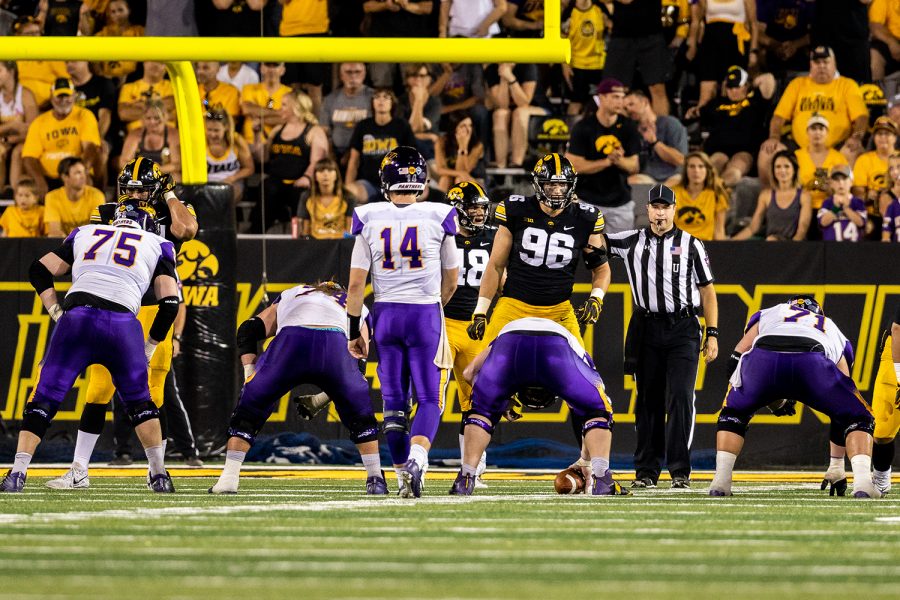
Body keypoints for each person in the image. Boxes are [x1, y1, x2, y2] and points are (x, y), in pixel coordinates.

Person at [1, 205, 179, 493]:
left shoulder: (85, 232)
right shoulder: (159, 243)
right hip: (122, 324)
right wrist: (149, 347)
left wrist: (55, 310)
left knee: (44, 398)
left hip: (77, 320)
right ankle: (159, 475)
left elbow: (39, 269)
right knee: (140, 404)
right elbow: (170, 303)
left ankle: (17, 473)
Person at [45, 157, 198, 489]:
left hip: (156, 307)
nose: (132, 194)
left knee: (154, 391)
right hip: (117, 306)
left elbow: (187, 230)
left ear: (156, 189)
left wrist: (171, 196)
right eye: (127, 187)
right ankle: (79, 469)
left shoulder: (169, 212)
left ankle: (155, 469)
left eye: (140, 189)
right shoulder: (106, 211)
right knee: (99, 388)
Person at [345, 145, 459, 498]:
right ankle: (419, 460)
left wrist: (353, 331)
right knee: (429, 399)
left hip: (386, 315)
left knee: (394, 404)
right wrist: (433, 305)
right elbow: (452, 280)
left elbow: (354, 286)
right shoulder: (440, 214)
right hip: (424, 313)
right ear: (421, 179)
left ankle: (400, 481)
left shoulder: (369, 215)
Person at [209, 281, 388, 495]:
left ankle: (229, 477)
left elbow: (247, 330)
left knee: (249, 410)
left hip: (291, 343)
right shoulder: (357, 305)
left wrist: (251, 376)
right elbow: (357, 363)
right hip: (335, 344)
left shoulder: (294, 293)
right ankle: (375, 478)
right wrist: (321, 399)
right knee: (361, 416)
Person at [709, 296, 880, 498]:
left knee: (734, 412)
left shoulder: (772, 312)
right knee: (858, 417)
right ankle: (862, 485)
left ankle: (720, 483)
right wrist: (836, 464)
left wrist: (763, 397)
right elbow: (841, 411)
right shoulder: (829, 325)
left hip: (762, 359)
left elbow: (737, 356)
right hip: (812, 362)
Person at [606, 184, 719, 489]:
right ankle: (646, 471)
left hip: (683, 327)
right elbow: (594, 240)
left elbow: (708, 291)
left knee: (681, 397)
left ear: (674, 209)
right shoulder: (631, 240)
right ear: (647, 210)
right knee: (647, 401)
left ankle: (680, 470)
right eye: (655, 207)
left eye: (665, 207)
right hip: (646, 326)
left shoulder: (691, 243)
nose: (659, 212)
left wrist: (713, 333)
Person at [449, 317, 628, 496]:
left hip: (511, 342)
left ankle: (465, 477)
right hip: (555, 346)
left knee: (482, 410)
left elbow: (468, 373)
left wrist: (498, 402)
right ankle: (602, 478)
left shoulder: (503, 338)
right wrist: (586, 460)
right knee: (597, 408)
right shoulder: (574, 361)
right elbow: (593, 410)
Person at [443, 181, 494, 488]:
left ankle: (472, 468)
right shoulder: (441, 237)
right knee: (430, 393)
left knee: (477, 401)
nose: (478, 213)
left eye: (480, 207)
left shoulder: (492, 238)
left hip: (476, 327)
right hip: (445, 323)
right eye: (472, 207)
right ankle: (415, 456)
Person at [759, 46, 868, 185]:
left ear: (834, 63)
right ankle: (771, 200)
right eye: (817, 62)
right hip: (800, 146)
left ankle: (845, 200)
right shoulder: (797, 84)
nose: (821, 66)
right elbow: (779, 117)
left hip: (837, 146)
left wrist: (857, 137)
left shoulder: (847, 85)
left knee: (853, 150)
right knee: (768, 151)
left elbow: (861, 117)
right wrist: (774, 138)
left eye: (826, 62)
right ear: (811, 65)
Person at [566, 78, 641, 234]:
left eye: (622, 97)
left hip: (620, 202)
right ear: (601, 97)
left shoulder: (629, 127)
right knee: (584, 251)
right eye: (615, 96)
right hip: (586, 200)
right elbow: (574, 166)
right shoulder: (583, 127)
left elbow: (634, 167)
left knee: (620, 253)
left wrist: (618, 160)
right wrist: (607, 162)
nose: (620, 101)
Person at [254, 90, 328, 233]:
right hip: (277, 181)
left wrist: (306, 177)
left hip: (300, 182)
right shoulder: (277, 130)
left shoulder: (314, 131)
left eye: (284, 105)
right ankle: (257, 235)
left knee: (300, 195)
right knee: (266, 187)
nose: (279, 108)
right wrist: (257, 135)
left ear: (296, 107)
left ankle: (300, 235)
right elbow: (262, 158)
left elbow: (317, 162)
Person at [694, 66, 776, 188]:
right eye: (730, 87)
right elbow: (698, 115)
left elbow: (768, 79)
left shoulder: (755, 100)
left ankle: (718, 191)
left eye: (737, 86)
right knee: (713, 165)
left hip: (745, 149)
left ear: (746, 86)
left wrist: (751, 83)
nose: (733, 91)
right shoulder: (717, 103)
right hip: (718, 148)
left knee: (735, 169)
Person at [22, 77, 100, 197]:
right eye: (59, 96)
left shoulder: (85, 116)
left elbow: (90, 147)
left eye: (67, 96)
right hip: (48, 177)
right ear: (52, 97)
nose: (63, 100)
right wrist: (39, 181)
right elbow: (29, 157)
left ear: (74, 96)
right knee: (28, 186)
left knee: (87, 180)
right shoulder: (39, 122)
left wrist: (81, 172)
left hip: (74, 174)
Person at [345, 89, 417, 204]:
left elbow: (413, 158)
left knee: (415, 195)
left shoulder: (402, 126)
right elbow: (353, 160)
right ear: (372, 103)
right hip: (368, 184)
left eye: (386, 97)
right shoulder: (363, 126)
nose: (381, 100)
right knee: (350, 192)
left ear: (392, 103)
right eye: (377, 97)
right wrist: (347, 186)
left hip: (396, 184)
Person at [686, 0, 759, 110]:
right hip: (711, 42)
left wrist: (753, 51)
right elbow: (696, 20)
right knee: (707, 91)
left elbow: (753, 24)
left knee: (732, 90)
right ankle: (705, 121)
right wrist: (692, 43)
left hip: (735, 44)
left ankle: (733, 121)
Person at [603, 0, 671, 116]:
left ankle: (661, 131)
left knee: (657, 88)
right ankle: (619, 132)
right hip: (621, 34)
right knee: (617, 90)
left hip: (651, 33)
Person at [733, 150, 812, 241]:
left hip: (795, 246)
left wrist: (791, 250)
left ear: (794, 170)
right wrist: (731, 242)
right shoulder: (766, 195)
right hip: (771, 244)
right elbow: (753, 228)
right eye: (778, 167)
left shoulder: (804, 196)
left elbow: (802, 230)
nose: (782, 170)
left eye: (786, 166)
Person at [485, 62, 546, 169]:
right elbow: (502, 105)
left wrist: (511, 78)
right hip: (510, 109)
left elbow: (524, 102)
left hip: (537, 107)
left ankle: (517, 162)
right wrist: (504, 79)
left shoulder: (528, 66)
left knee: (520, 112)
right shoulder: (492, 69)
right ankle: (501, 165)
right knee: (499, 114)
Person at [625, 88, 687, 186]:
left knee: (664, 192)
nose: (629, 110)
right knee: (630, 183)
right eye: (625, 108)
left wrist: (654, 142)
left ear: (645, 102)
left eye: (631, 104)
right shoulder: (631, 130)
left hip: (673, 175)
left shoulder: (670, 123)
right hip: (647, 176)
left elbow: (680, 160)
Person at [318, 62, 373, 164]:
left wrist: (350, 154)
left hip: (365, 150)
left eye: (357, 72)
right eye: (348, 72)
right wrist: (331, 156)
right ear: (341, 76)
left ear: (364, 74)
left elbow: (374, 129)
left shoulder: (373, 98)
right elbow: (324, 130)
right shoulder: (330, 99)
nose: (353, 76)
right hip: (336, 151)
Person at [795, 113, 848, 211]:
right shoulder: (797, 156)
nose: (817, 132)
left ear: (827, 133)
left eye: (821, 129)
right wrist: (809, 185)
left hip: (831, 207)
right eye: (813, 128)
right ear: (807, 132)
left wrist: (831, 189)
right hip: (801, 206)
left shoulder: (839, 157)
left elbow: (846, 189)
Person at [852, 116, 897, 232]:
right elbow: (857, 192)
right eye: (879, 134)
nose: (883, 137)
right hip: (871, 214)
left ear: (895, 138)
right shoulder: (864, 160)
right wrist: (867, 196)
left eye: (887, 134)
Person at [671, 151, 729, 241]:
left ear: (707, 170)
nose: (696, 171)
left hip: (705, 246)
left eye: (701, 166)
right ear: (686, 170)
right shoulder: (672, 193)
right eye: (692, 166)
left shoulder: (716, 195)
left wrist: (721, 252)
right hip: (678, 247)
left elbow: (719, 231)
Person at [562, 0, 606, 117]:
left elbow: (612, 30)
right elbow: (562, 41)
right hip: (577, 65)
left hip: (599, 64)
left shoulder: (600, 8)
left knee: (604, 102)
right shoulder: (568, 12)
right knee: (576, 103)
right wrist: (565, 65)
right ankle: (572, 133)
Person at [43, 156, 105, 237]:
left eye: (84, 172)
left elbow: (98, 229)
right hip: (64, 244)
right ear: (65, 177)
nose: (83, 177)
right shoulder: (52, 197)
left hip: (87, 244)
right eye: (78, 173)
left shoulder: (97, 195)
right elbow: (54, 231)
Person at [120, 99, 181, 179]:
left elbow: (176, 165)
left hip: (163, 173)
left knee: (176, 177)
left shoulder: (172, 134)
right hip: (140, 174)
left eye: (156, 118)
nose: (152, 122)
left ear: (164, 117)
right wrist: (140, 170)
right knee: (123, 177)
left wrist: (157, 170)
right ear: (143, 119)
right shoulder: (135, 134)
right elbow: (124, 161)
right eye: (148, 118)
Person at [240, 62, 291, 157]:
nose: (271, 70)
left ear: (283, 70)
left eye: (275, 66)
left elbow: (286, 119)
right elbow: (247, 109)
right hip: (250, 143)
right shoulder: (249, 88)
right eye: (268, 65)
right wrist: (278, 112)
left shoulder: (289, 92)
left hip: (279, 145)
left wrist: (259, 116)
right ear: (261, 68)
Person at [0, 61, 37, 190]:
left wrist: (9, 138)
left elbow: (33, 131)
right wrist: (12, 126)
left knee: (18, 152)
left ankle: (17, 194)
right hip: (5, 140)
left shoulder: (25, 95)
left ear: (11, 72)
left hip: (23, 141)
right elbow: (18, 127)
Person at [297, 157, 355, 239]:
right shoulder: (306, 197)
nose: (325, 174)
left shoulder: (348, 197)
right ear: (315, 176)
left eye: (330, 170)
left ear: (336, 175)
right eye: (321, 171)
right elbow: (305, 231)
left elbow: (350, 231)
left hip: (339, 244)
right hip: (315, 244)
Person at [205, 107, 253, 204]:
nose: (212, 134)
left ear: (226, 127)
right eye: (209, 130)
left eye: (216, 130)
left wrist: (232, 178)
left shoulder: (236, 140)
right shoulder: (201, 141)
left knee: (226, 198)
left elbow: (249, 168)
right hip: (206, 185)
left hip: (232, 183)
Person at [432, 111, 485, 192]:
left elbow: (465, 170)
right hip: (451, 178)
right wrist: (459, 173)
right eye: (463, 126)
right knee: (445, 179)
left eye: (470, 125)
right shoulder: (442, 142)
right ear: (454, 128)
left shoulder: (477, 145)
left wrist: (462, 147)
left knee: (459, 180)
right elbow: (440, 169)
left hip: (474, 180)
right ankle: (442, 204)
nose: (468, 129)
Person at [118, 62, 176, 134]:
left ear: (167, 67)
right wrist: (162, 113)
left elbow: (171, 103)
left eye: (160, 62)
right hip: (136, 137)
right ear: (144, 63)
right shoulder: (128, 88)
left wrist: (139, 105)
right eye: (151, 60)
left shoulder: (174, 87)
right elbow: (124, 114)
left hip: (167, 135)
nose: (155, 65)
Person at [818, 165, 866, 242]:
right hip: (831, 248)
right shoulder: (827, 202)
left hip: (854, 248)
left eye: (844, 179)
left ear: (851, 182)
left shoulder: (858, 202)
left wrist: (846, 208)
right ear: (831, 183)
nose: (841, 183)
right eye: (836, 180)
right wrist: (836, 208)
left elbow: (861, 223)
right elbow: (823, 223)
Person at [870, 0, 900, 82]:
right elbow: (874, 25)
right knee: (874, 54)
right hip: (893, 39)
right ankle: (876, 92)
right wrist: (892, 42)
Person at [881, 153, 900, 242]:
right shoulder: (886, 196)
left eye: (899, 167)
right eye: (891, 169)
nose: (895, 172)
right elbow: (888, 223)